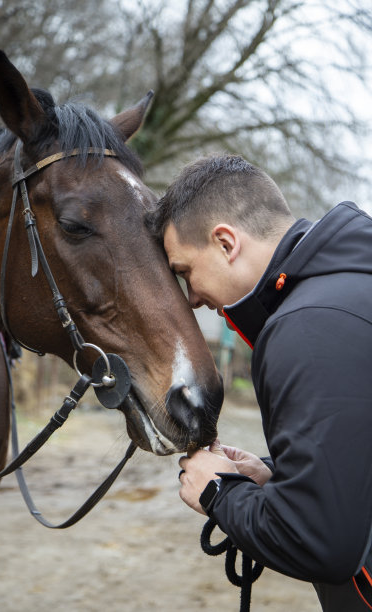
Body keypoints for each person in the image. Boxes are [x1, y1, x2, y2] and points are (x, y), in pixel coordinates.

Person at [146, 154, 372, 611]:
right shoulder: (350, 288)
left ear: (226, 242)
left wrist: (219, 492)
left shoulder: (307, 326)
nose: (190, 298)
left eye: (186, 272)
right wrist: (277, 476)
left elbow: (321, 543)